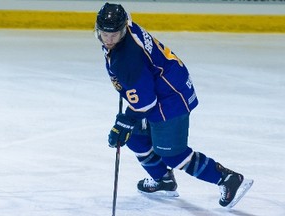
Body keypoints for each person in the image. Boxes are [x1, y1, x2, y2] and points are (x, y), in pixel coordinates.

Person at [95, 2, 252, 208]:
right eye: (104, 34)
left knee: (172, 153)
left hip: (169, 97)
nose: (108, 39)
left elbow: (146, 102)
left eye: (114, 35)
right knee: (134, 136)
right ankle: (164, 181)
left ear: (123, 29)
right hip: (165, 83)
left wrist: (125, 121)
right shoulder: (127, 29)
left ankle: (228, 179)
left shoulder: (126, 60)